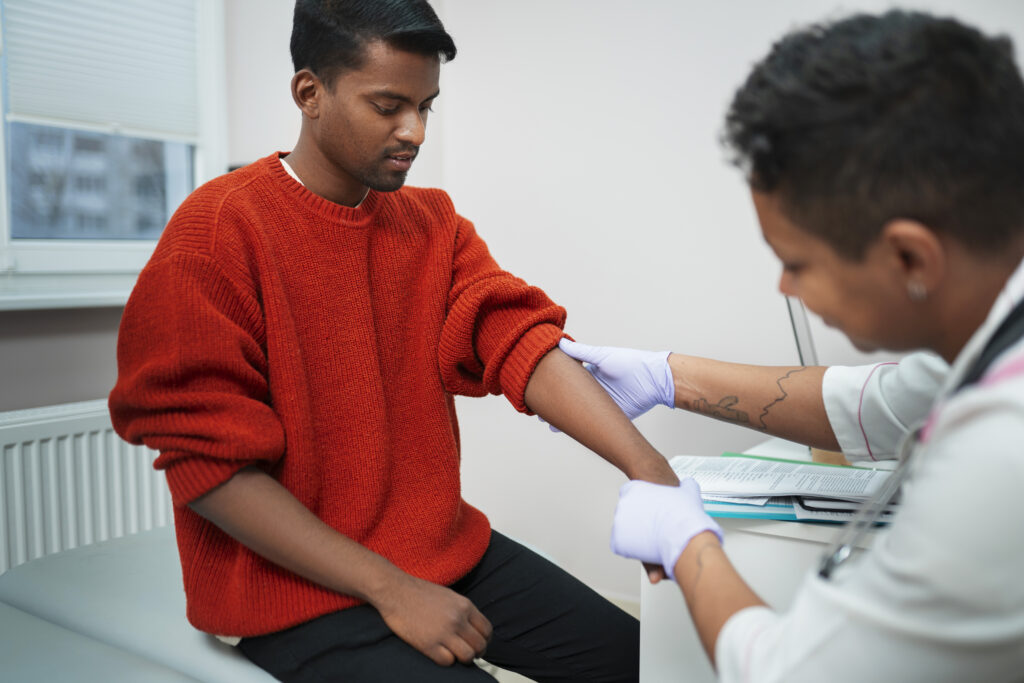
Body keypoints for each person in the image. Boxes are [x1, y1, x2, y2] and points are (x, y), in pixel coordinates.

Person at [108, 2, 678, 681]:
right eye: (388, 107)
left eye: (425, 106)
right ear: (309, 93)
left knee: (651, 664)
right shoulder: (216, 232)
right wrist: (392, 588)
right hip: (288, 590)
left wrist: (650, 472)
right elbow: (209, 466)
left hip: (436, 551)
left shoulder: (430, 223)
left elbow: (520, 342)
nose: (415, 131)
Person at [560, 10, 1024, 682]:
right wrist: (667, 375)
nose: (785, 285)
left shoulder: (1002, 450)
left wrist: (687, 542)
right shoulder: (994, 321)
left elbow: (791, 672)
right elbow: (882, 403)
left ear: (910, 257)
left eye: (797, 263)